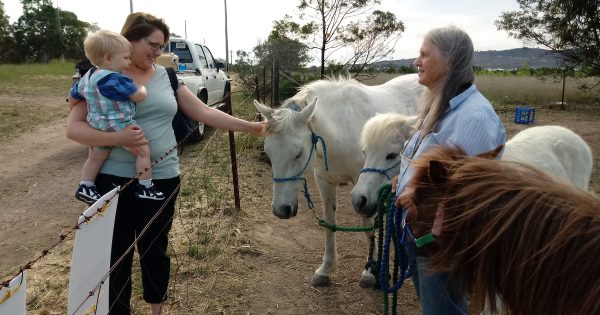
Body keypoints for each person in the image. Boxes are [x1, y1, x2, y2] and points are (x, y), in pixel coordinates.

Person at [66, 12, 266, 315]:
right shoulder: (99, 76)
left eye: (162, 47)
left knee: (155, 250)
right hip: (111, 182)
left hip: (161, 179)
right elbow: (74, 129)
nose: (159, 53)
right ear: (129, 40)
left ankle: (157, 310)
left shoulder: (167, 76)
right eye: (153, 45)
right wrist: (120, 137)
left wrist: (250, 127)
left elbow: (204, 113)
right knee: (115, 255)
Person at [392, 26, 506, 314]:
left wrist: (415, 191)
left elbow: (467, 189)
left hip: (442, 242)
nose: (416, 62)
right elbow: (435, 165)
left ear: (450, 61)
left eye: (424, 55)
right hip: (421, 231)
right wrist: (404, 178)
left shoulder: (475, 118)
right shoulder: (441, 106)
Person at [69, 30, 165, 205]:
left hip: (96, 125)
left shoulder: (87, 76)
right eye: (126, 58)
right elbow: (139, 96)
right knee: (143, 150)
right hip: (119, 123)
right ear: (108, 58)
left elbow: (73, 97)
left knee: (95, 157)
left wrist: (74, 104)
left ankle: (86, 185)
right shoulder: (114, 79)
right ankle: (145, 186)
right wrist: (141, 87)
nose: (128, 62)